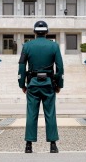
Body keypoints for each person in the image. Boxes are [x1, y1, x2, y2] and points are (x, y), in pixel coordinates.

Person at [18, 20, 64, 153]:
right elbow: (60, 67)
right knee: (50, 113)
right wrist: (59, 84)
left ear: (34, 32)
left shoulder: (27, 46)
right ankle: (53, 145)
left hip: (33, 84)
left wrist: (22, 84)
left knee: (31, 113)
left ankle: (28, 145)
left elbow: (21, 66)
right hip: (49, 84)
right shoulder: (54, 46)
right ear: (47, 32)